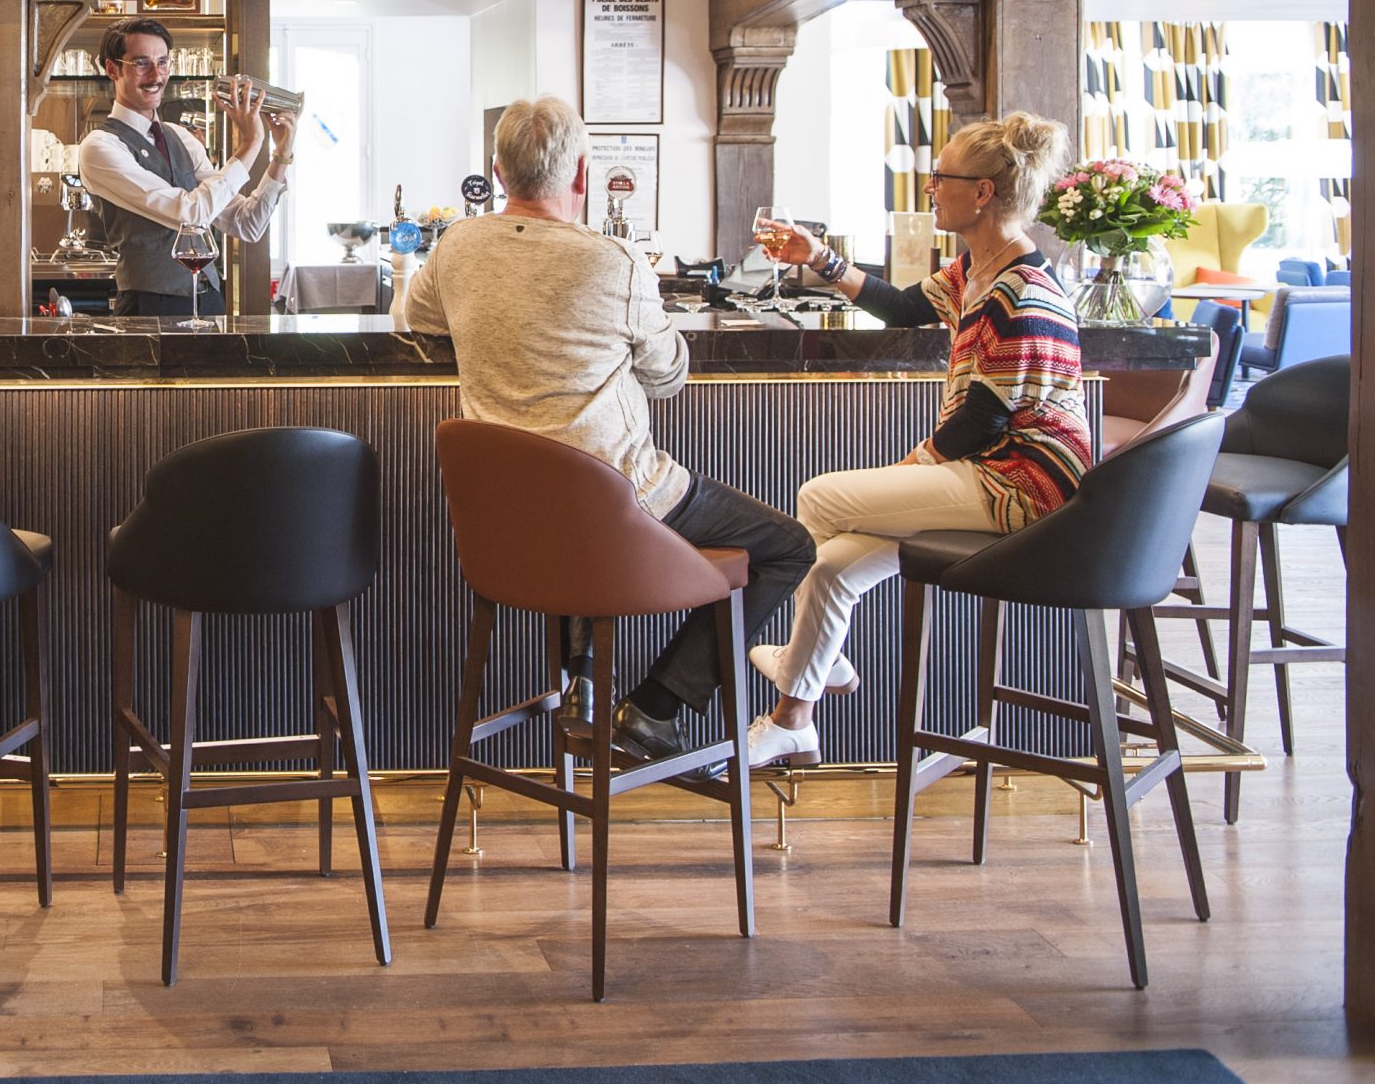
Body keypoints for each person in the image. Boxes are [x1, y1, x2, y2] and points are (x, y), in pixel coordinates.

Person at [402, 96, 816, 767]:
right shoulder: (615, 262)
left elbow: (417, 315)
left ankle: (586, 682)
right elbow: (670, 372)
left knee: (566, 487)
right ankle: (657, 707)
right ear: (583, 174)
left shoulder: (458, 245)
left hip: (505, 521)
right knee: (790, 546)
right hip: (615, 510)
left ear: (499, 173)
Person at [745, 111, 1090, 768]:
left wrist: (915, 462)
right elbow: (903, 307)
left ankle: (801, 663)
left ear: (983, 192)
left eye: (941, 178)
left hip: (1021, 483)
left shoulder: (1025, 294)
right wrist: (818, 257)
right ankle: (795, 720)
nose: (930, 188)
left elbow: (981, 424)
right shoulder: (977, 269)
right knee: (829, 568)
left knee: (818, 497)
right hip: (987, 469)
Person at [76, 17, 295, 318]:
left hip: (209, 304)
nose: (156, 75)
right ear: (112, 69)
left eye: (163, 62)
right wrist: (252, 142)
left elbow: (247, 224)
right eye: (142, 63)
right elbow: (191, 213)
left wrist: (280, 153)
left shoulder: (179, 136)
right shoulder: (100, 147)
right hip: (148, 308)